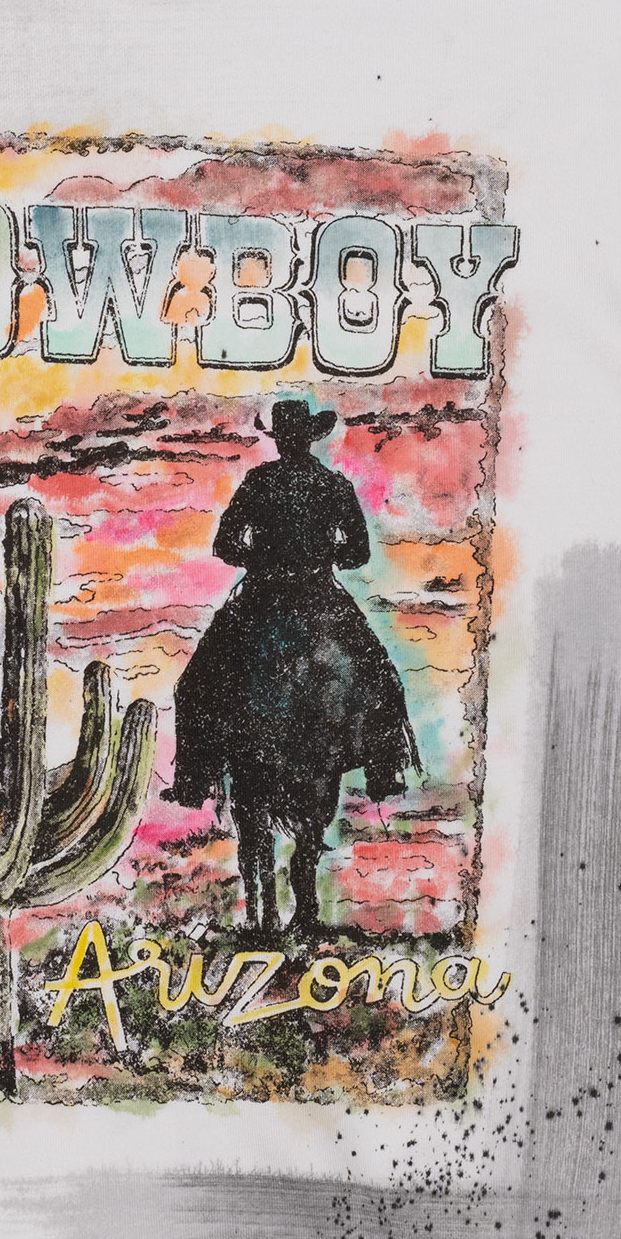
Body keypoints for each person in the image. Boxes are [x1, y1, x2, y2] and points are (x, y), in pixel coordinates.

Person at [167, 398, 422, 934]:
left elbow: (224, 544)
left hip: (261, 597)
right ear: (309, 438)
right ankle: (383, 767)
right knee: (379, 677)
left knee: (195, 685)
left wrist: (258, 558)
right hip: (319, 597)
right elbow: (357, 554)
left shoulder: (260, 483)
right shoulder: (333, 485)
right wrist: (324, 555)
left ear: (283, 439)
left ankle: (194, 775)